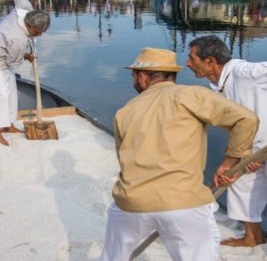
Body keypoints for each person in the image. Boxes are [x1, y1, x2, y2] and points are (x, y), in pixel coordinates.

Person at [100, 47, 259, 261]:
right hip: (183, 202)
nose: (133, 80)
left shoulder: (125, 111)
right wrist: (230, 161)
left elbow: (124, 159)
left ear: (143, 77)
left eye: (133, 75)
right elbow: (246, 120)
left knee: (113, 256)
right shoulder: (190, 94)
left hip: (130, 203)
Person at [186, 34, 267, 247]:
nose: (187, 63)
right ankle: (253, 236)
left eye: (192, 58)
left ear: (210, 61)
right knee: (239, 183)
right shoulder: (220, 85)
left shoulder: (245, 73)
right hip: (253, 149)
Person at [0, 0, 50, 146]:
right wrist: (27, 57)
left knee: (11, 93)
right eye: (36, 32)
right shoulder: (16, 38)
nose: (39, 35)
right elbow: (14, 62)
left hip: (4, 57)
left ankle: (8, 125)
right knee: (0, 95)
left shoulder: (25, 11)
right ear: (28, 25)